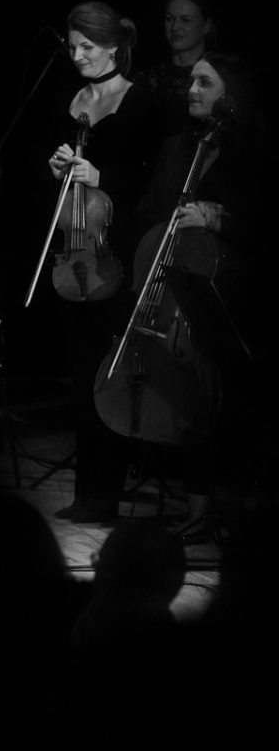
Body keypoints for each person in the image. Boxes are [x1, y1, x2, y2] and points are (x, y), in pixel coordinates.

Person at [116, 53, 262, 540]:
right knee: (192, 391)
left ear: (230, 95)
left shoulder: (254, 149)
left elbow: (264, 219)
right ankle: (195, 508)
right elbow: (149, 209)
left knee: (232, 397)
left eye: (204, 82)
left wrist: (218, 219)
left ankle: (239, 511)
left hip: (234, 291)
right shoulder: (177, 147)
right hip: (179, 287)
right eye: (191, 81)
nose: (191, 90)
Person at [46, 2, 165, 526]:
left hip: (116, 253)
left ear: (114, 47)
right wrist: (56, 169)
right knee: (78, 374)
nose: (77, 57)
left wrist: (101, 177)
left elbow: (150, 185)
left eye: (87, 47)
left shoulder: (142, 104)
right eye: (72, 47)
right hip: (75, 245)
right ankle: (85, 491)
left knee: (107, 373)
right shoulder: (69, 101)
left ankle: (107, 494)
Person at [136, 0, 218, 125]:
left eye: (186, 20)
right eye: (169, 19)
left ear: (206, 26)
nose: (175, 27)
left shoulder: (220, 75)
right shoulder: (145, 79)